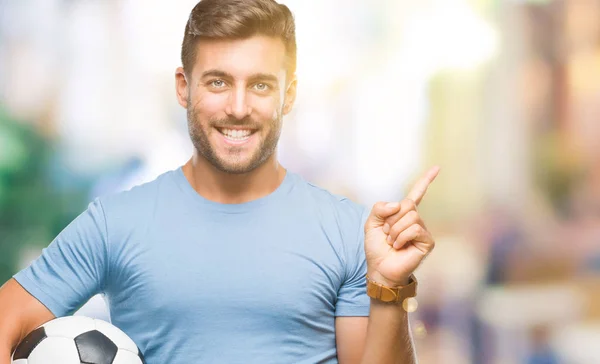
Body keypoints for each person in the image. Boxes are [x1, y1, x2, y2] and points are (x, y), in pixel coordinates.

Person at [0, 0, 439, 363]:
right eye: (218, 82)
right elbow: (7, 320)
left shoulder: (348, 231)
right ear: (184, 87)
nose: (238, 106)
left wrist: (390, 290)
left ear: (288, 95)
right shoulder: (115, 223)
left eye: (261, 86)